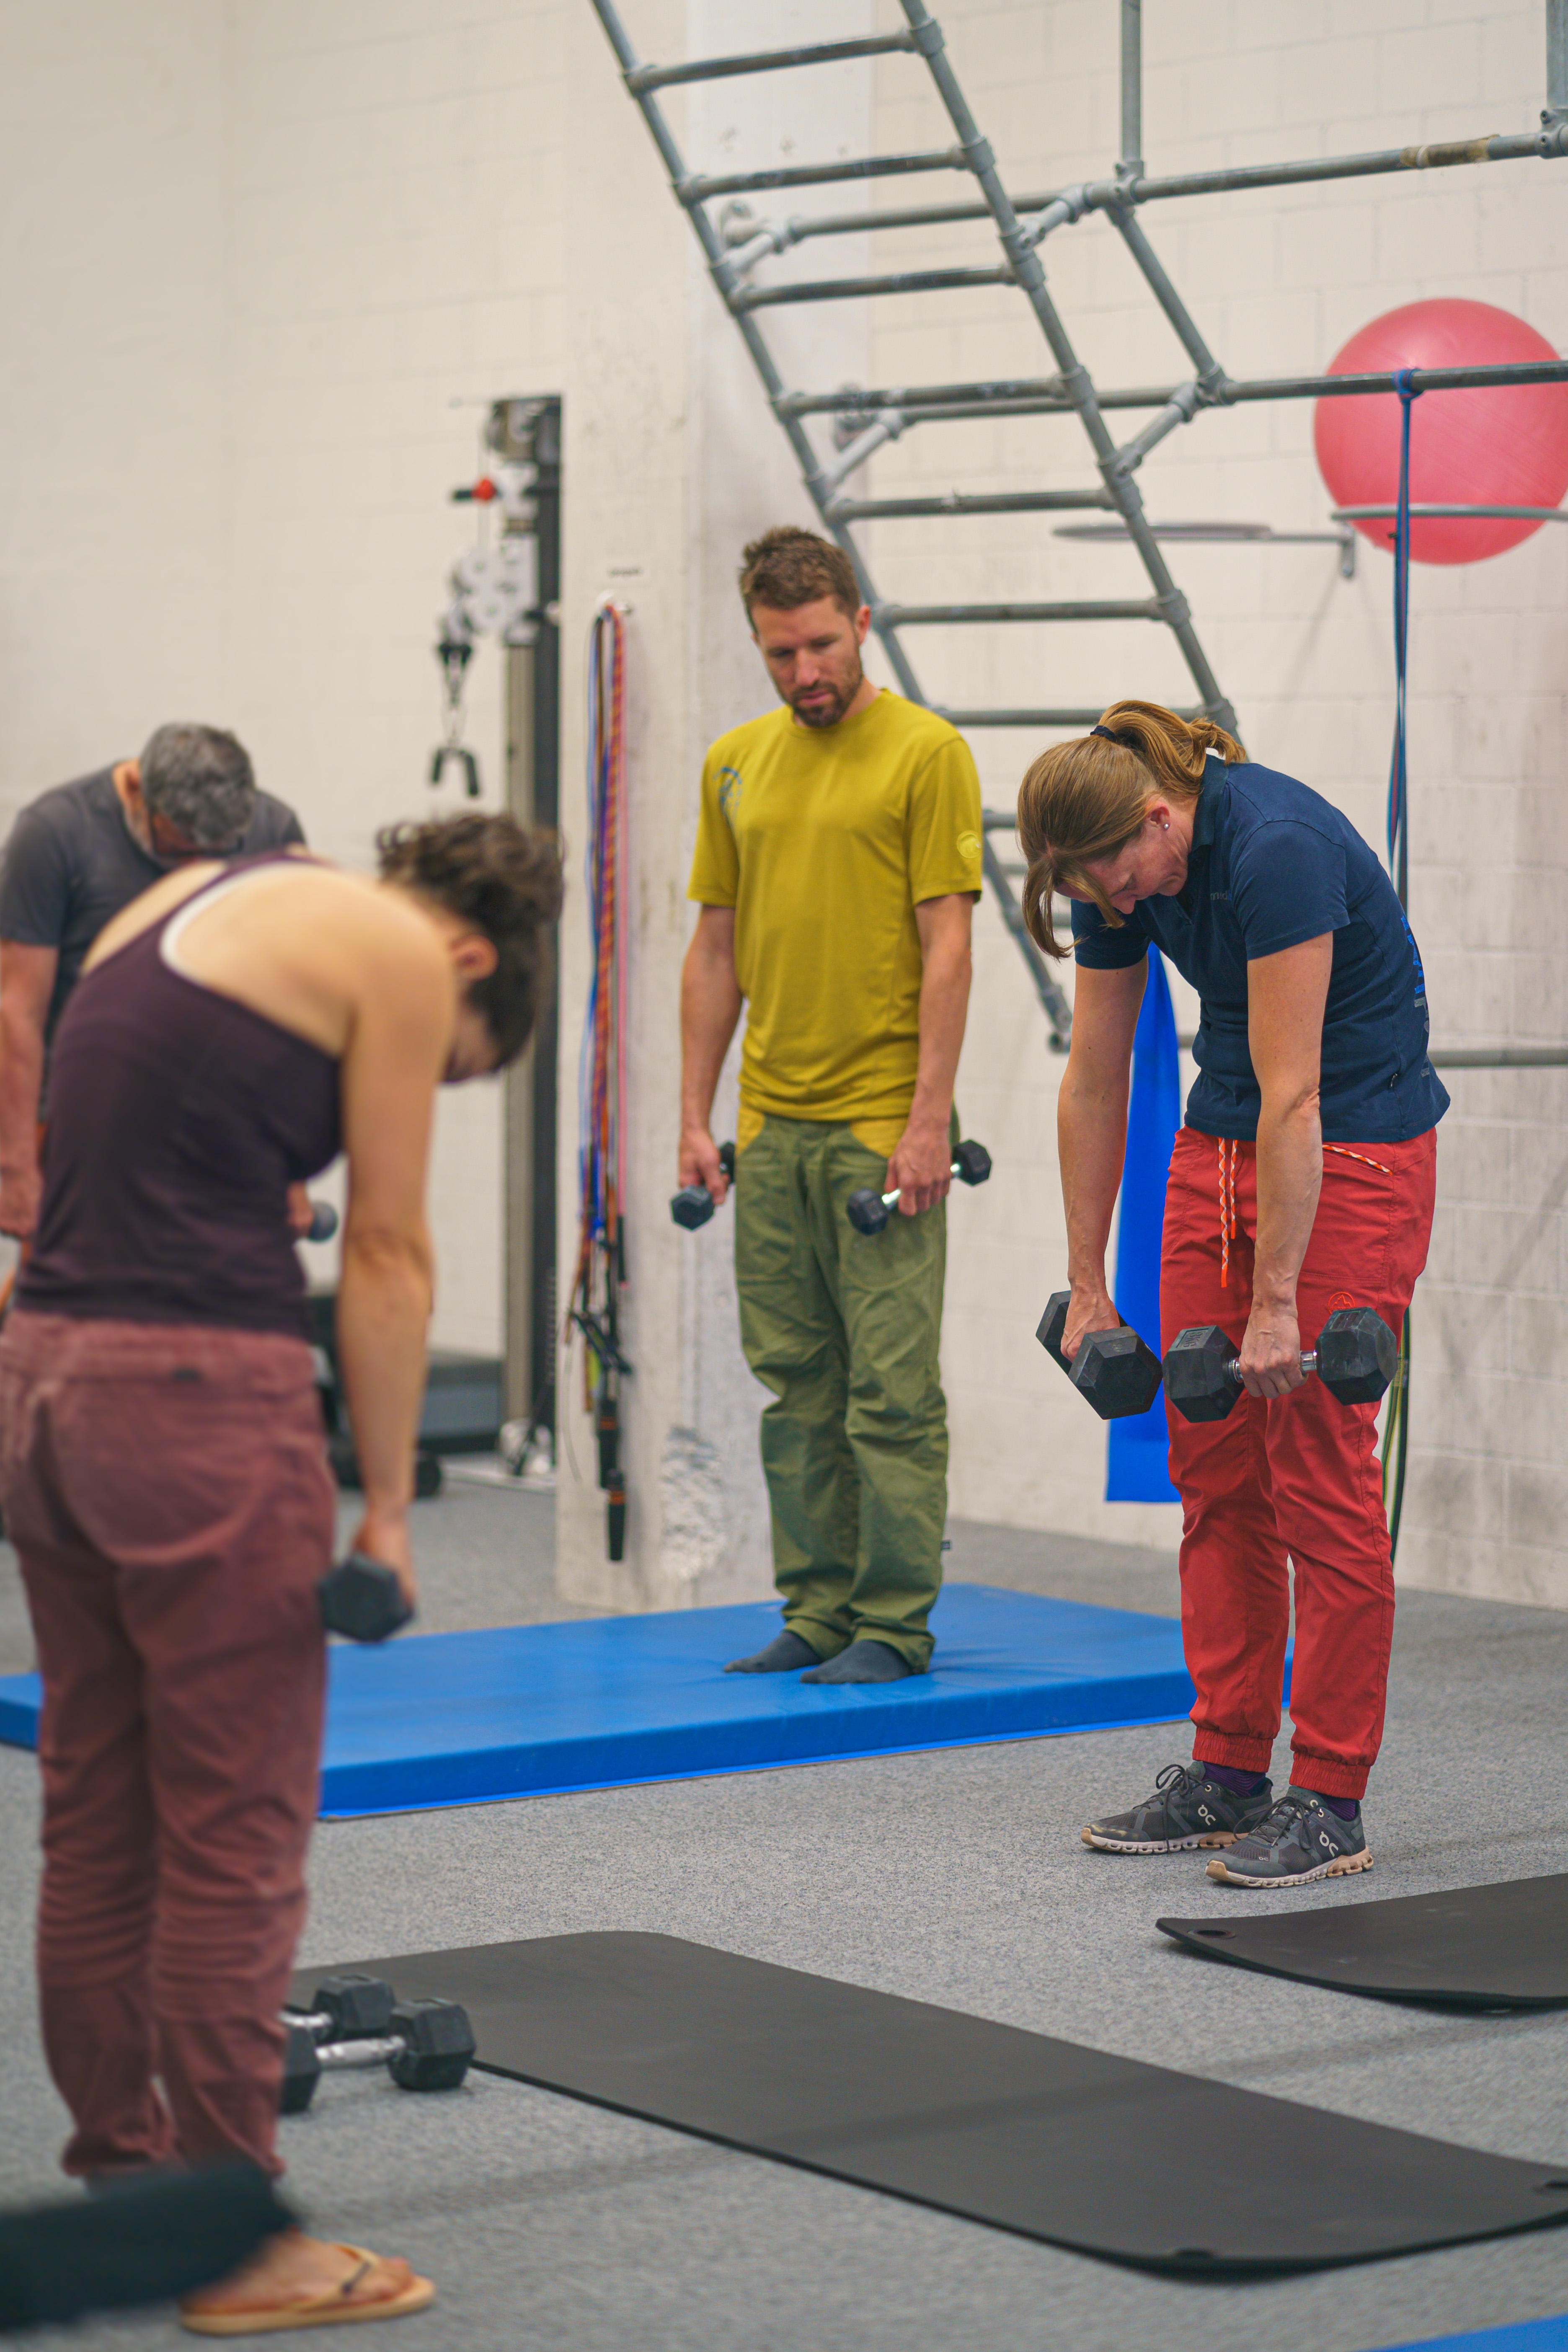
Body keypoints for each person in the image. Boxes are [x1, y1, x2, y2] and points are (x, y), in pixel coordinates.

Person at [0, 813, 562, 2331]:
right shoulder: (401, 954)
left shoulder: (192, 893)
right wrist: (388, 1516)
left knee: (98, 1816)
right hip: (190, 1396)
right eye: (455, 1066)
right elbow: (383, 1251)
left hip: (40, 1377)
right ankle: (233, 2238)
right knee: (232, 1833)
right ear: (471, 956)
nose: (431, 1077)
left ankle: (134, 2194)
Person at [1018, 703, 1447, 1887]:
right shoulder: (1107, 874)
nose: (1103, 900)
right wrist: (1086, 1286)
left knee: (1317, 1467)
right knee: (1210, 1468)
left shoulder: (1276, 850)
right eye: (1081, 884)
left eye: (1108, 874)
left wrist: (1273, 1307)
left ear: (1159, 819)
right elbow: (1094, 1075)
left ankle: (1330, 1797)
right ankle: (1225, 1770)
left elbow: (1294, 1093)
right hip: (1219, 1145)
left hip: (1350, 1144)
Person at [680, 525, 983, 1684]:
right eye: (778, 653)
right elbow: (714, 949)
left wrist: (927, 1119)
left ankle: (891, 1623)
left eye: (819, 645)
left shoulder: (925, 752)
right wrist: (693, 1116)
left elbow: (946, 946)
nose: (802, 671)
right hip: (770, 1124)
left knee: (888, 1391)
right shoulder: (733, 762)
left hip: (878, 1124)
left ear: (860, 624)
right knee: (795, 1383)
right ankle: (815, 1608)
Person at [0, 723, 304, 1248]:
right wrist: (15, 1164)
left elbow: (289, 1004)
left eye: (216, 851)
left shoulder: (273, 831)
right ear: (138, 789)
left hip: (218, 1117)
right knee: (81, 1282)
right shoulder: (55, 834)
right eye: (177, 851)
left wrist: (291, 1170)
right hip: (84, 1119)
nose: (193, 869)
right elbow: (18, 1011)